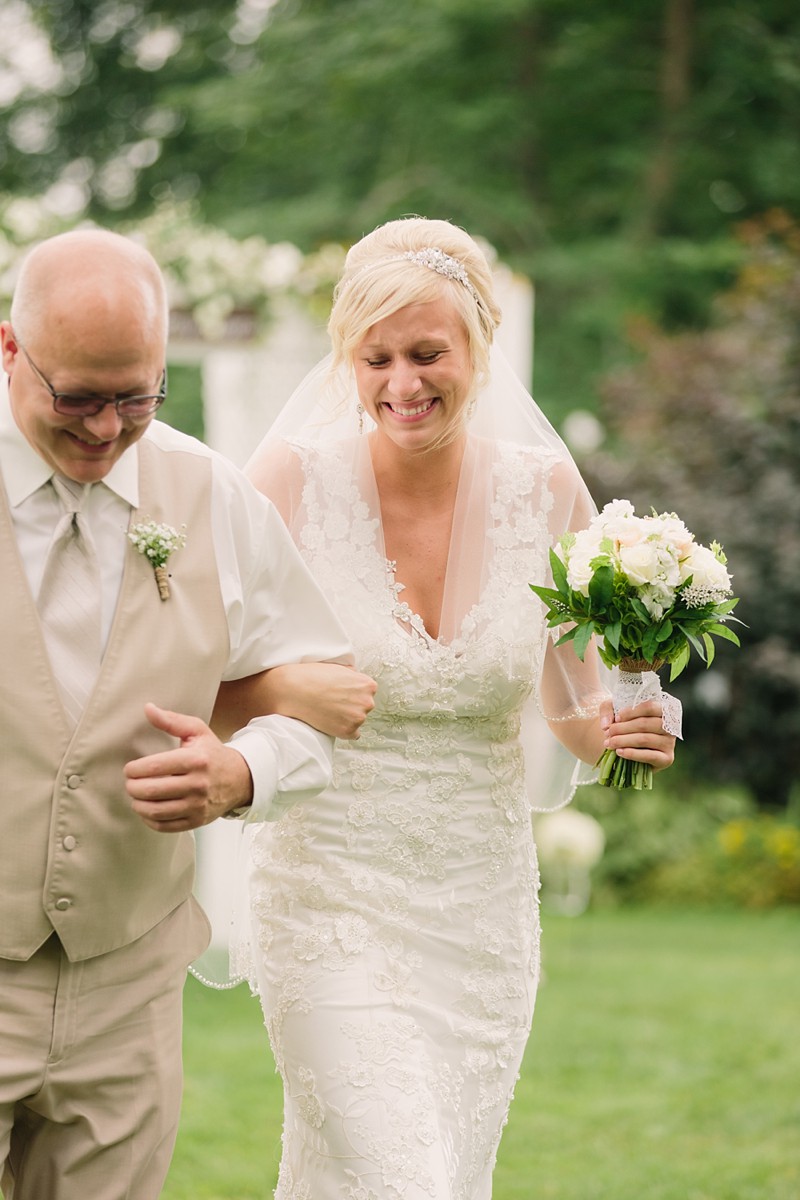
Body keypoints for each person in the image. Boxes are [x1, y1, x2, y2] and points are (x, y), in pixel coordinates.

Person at [235, 217, 677, 1199]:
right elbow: (193, 670)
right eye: (374, 357)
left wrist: (632, 724)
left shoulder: (545, 492)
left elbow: (570, 704)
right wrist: (279, 690)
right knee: (406, 1181)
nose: (402, 383)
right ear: (344, 362)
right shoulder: (288, 486)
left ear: (476, 349)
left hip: (478, 918)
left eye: (426, 353)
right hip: (327, 899)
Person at [0, 228, 364, 1200]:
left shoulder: (209, 492)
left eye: (137, 396)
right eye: (77, 396)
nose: (107, 428)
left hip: (125, 976)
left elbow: (322, 689)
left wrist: (244, 774)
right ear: (9, 351)